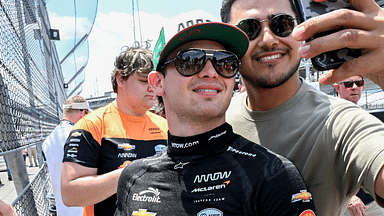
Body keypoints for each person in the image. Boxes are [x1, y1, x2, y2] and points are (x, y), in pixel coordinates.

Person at [114, 22, 316, 215]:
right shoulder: (134, 178)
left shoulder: (273, 173)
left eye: (224, 62)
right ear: (158, 82)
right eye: (190, 60)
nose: (211, 73)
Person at [221, 0, 384, 215]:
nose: (269, 39)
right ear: (228, 43)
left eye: (283, 24)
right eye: (249, 29)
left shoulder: (340, 122)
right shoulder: (216, 119)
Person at [61, 47, 168, 216]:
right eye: (143, 80)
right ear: (121, 79)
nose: (152, 87)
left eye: (156, 80)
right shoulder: (92, 125)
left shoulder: (166, 126)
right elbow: (70, 194)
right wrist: (131, 173)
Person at [334, 76, 384, 216]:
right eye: (349, 84)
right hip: (344, 204)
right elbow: (324, 163)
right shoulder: (327, 118)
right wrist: (350, 198)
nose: (354, 87)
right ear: (337, 87)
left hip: (372, 202)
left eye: (359, 83)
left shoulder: (368, 119)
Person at [42, 95, 91, 216]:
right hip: (83, 209)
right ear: (82, 113)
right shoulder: (81, 135)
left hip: (63, 209)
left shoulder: (48, 141)